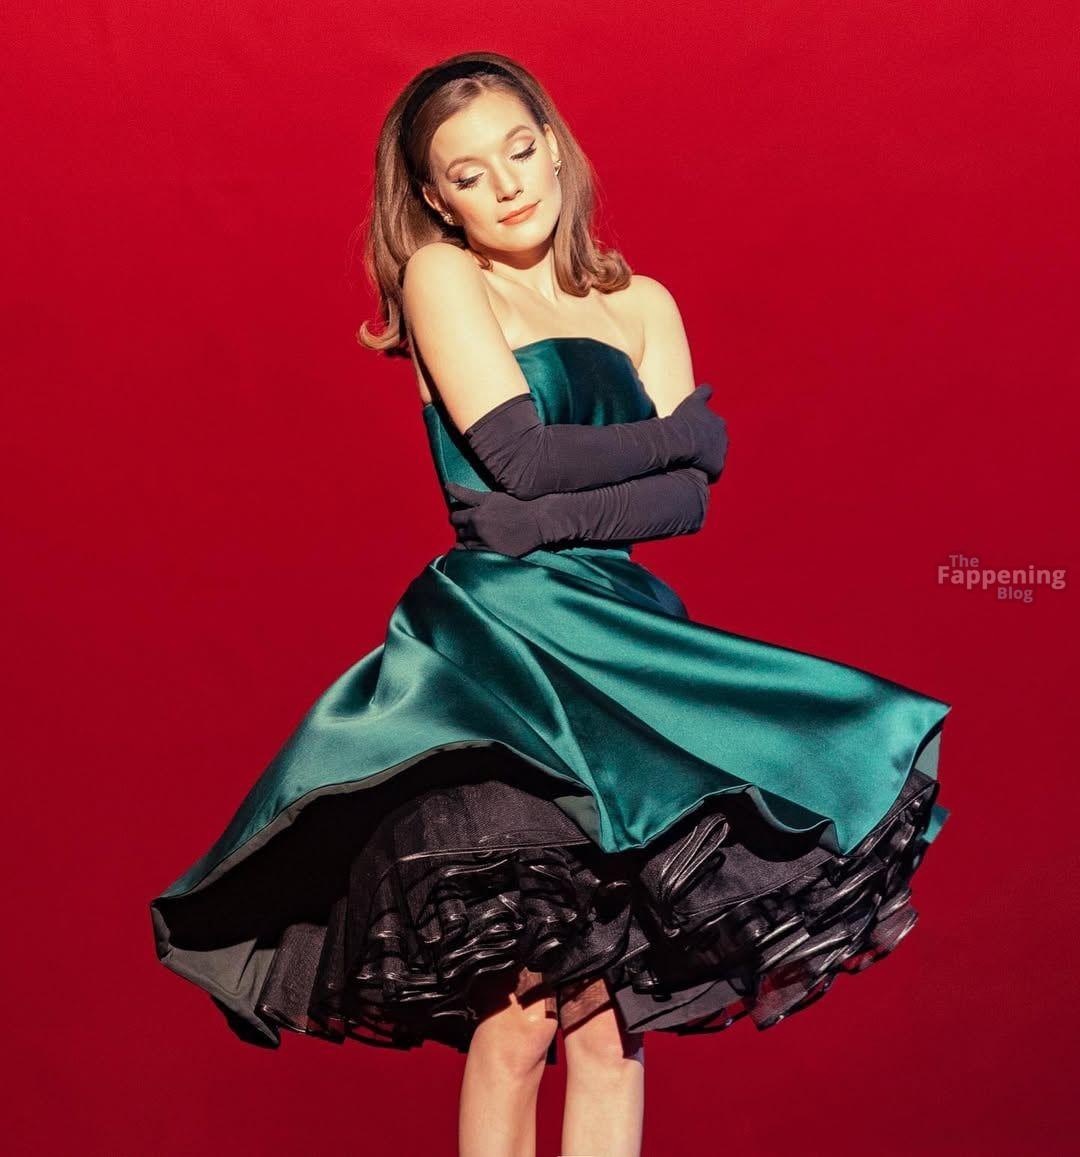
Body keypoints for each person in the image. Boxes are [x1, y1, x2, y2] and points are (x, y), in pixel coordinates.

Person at [149, 52, 952, 1157]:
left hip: (629, 651)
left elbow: (684, 502)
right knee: (521, 1018)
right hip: (504, 657)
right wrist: (677, 438)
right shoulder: (443, 275)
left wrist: (565, 510)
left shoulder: (642, 301)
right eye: (469, 173)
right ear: (437, 199)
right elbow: (521, 459)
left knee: (611, 1027)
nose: (508, 184)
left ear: (556, 148)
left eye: (521, 151)